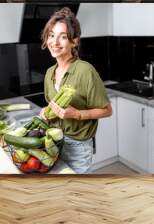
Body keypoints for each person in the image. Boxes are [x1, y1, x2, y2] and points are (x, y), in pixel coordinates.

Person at [39, 7, 112, 174]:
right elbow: (53, 107)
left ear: (75, 41)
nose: (54, 42)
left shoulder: (86, 71)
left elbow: (107, 111)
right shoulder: (50, 72)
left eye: (62, 37)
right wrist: (46, 112)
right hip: (54, 142)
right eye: (51, 35)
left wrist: (77, 114)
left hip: (79, 148)